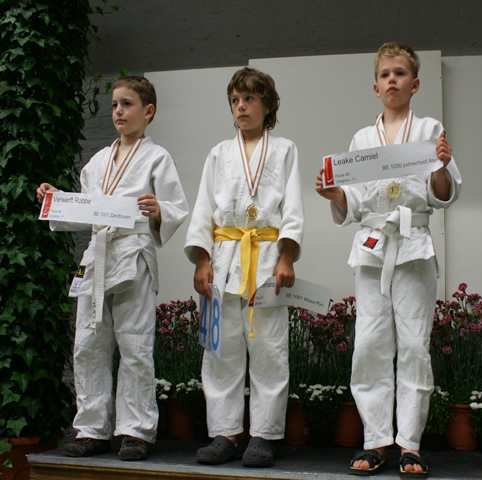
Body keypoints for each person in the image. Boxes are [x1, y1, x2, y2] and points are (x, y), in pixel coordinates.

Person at [315, 42, 462, 476]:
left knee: (415, 344)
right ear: (375, 85)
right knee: (369, 344)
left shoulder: (430, 128)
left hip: (413, 242)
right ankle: (376, 438)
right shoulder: (362, 140)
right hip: (373, 245)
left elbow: (443, 194)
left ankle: (410, 443)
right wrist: (334, 193)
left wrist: (440, 165)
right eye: (385, 74)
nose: (392, 80)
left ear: (415, 83)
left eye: (400, 73)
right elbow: (355, 205)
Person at [36, 76, 189, 461]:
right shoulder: (98, 162)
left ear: (148, 111)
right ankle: (91, 428)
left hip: (133, 255)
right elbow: (85, 209)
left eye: (127, 104)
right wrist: (56, 199)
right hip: (97, 254)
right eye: (115, 105)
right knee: (88, 344)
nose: (118, 111)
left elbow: (175, 208)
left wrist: (160, 212)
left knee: (135, 344)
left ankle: (135, 431)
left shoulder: (158, 158)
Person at [184, 67, 303, 468]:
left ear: (267, 104)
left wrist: (287, 256)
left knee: (269, 348)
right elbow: (203, 209)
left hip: (267, 257)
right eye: (235, 100)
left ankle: (264, 435)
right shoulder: (218, 153)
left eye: (250, 99)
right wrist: (202, 259)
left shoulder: (285, 149)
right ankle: (225, 432)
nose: (241, 106)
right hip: (224, 258)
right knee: (221, 349)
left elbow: (293, 208)